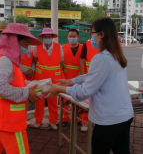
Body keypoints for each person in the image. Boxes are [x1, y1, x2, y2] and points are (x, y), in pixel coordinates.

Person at [43, 17, 134, 154]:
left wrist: (59, 89)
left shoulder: (102, 57)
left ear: (101, 34)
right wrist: (71, 81)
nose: (91, 37)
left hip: (109, 119)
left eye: (92, 33)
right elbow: (94, 76)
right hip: (124, 115)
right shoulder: (115, 55)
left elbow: (84, 92)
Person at [0, 23, 42, 154]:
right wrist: (26, 93)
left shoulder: (7, 59)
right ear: (14, 41)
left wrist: (29, 86)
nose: (28, 48)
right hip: (9, 121)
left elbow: (11, 82)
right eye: (25, 44)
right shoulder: (5, 60)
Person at [32, 27, 65, 130]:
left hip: (54, 78)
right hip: (40, 77)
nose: (47, 38)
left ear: (52, 37)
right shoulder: (36, 47)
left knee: (53, 100)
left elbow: (62, 61)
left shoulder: (58, 47)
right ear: (42, 37)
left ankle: (53, 121)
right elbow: (35, 60)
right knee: (39, 100)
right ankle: (38, 121)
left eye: (49, 36)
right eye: (45, 37)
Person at [61, 29, 88, 131]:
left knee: (81, 99)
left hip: (80, 77)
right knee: (65, 100)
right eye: (70, 36)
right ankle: (64, 118)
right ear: (67, 37)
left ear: (78, 37)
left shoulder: (83, 48)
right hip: (66, 78)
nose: (72, 38)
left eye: (74, 36)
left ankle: (81, 120)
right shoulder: (63, 48)